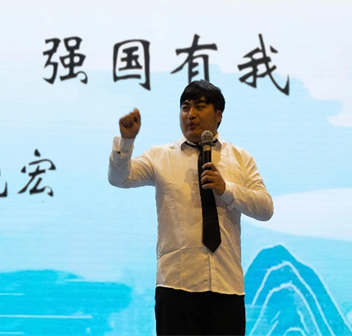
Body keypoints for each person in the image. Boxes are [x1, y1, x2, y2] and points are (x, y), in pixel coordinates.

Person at [108, 80, 273, 336]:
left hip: (226, 286)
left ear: (218, 115)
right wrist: (127, 142)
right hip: (176, 287)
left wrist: (226, 189)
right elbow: (119, 178)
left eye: (200, 107)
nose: (190, 114)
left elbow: (265, 208)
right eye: (185, 108)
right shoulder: (160, 156)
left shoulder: (241, 158)